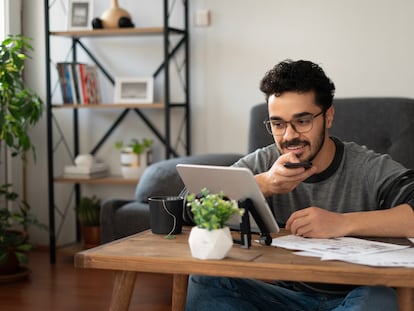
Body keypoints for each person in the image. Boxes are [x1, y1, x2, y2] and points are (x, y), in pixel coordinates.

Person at [185, 59, 414, 311]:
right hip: (283, 296)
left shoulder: (367, 167)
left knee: (379, 298)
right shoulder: (264, 162)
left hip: (355, 295)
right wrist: (263, 184)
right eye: (278, 124)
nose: (289, 135)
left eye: (302, 121)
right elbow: (187, 203)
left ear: (328, 116)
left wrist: (342, 223)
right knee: (206, 281)